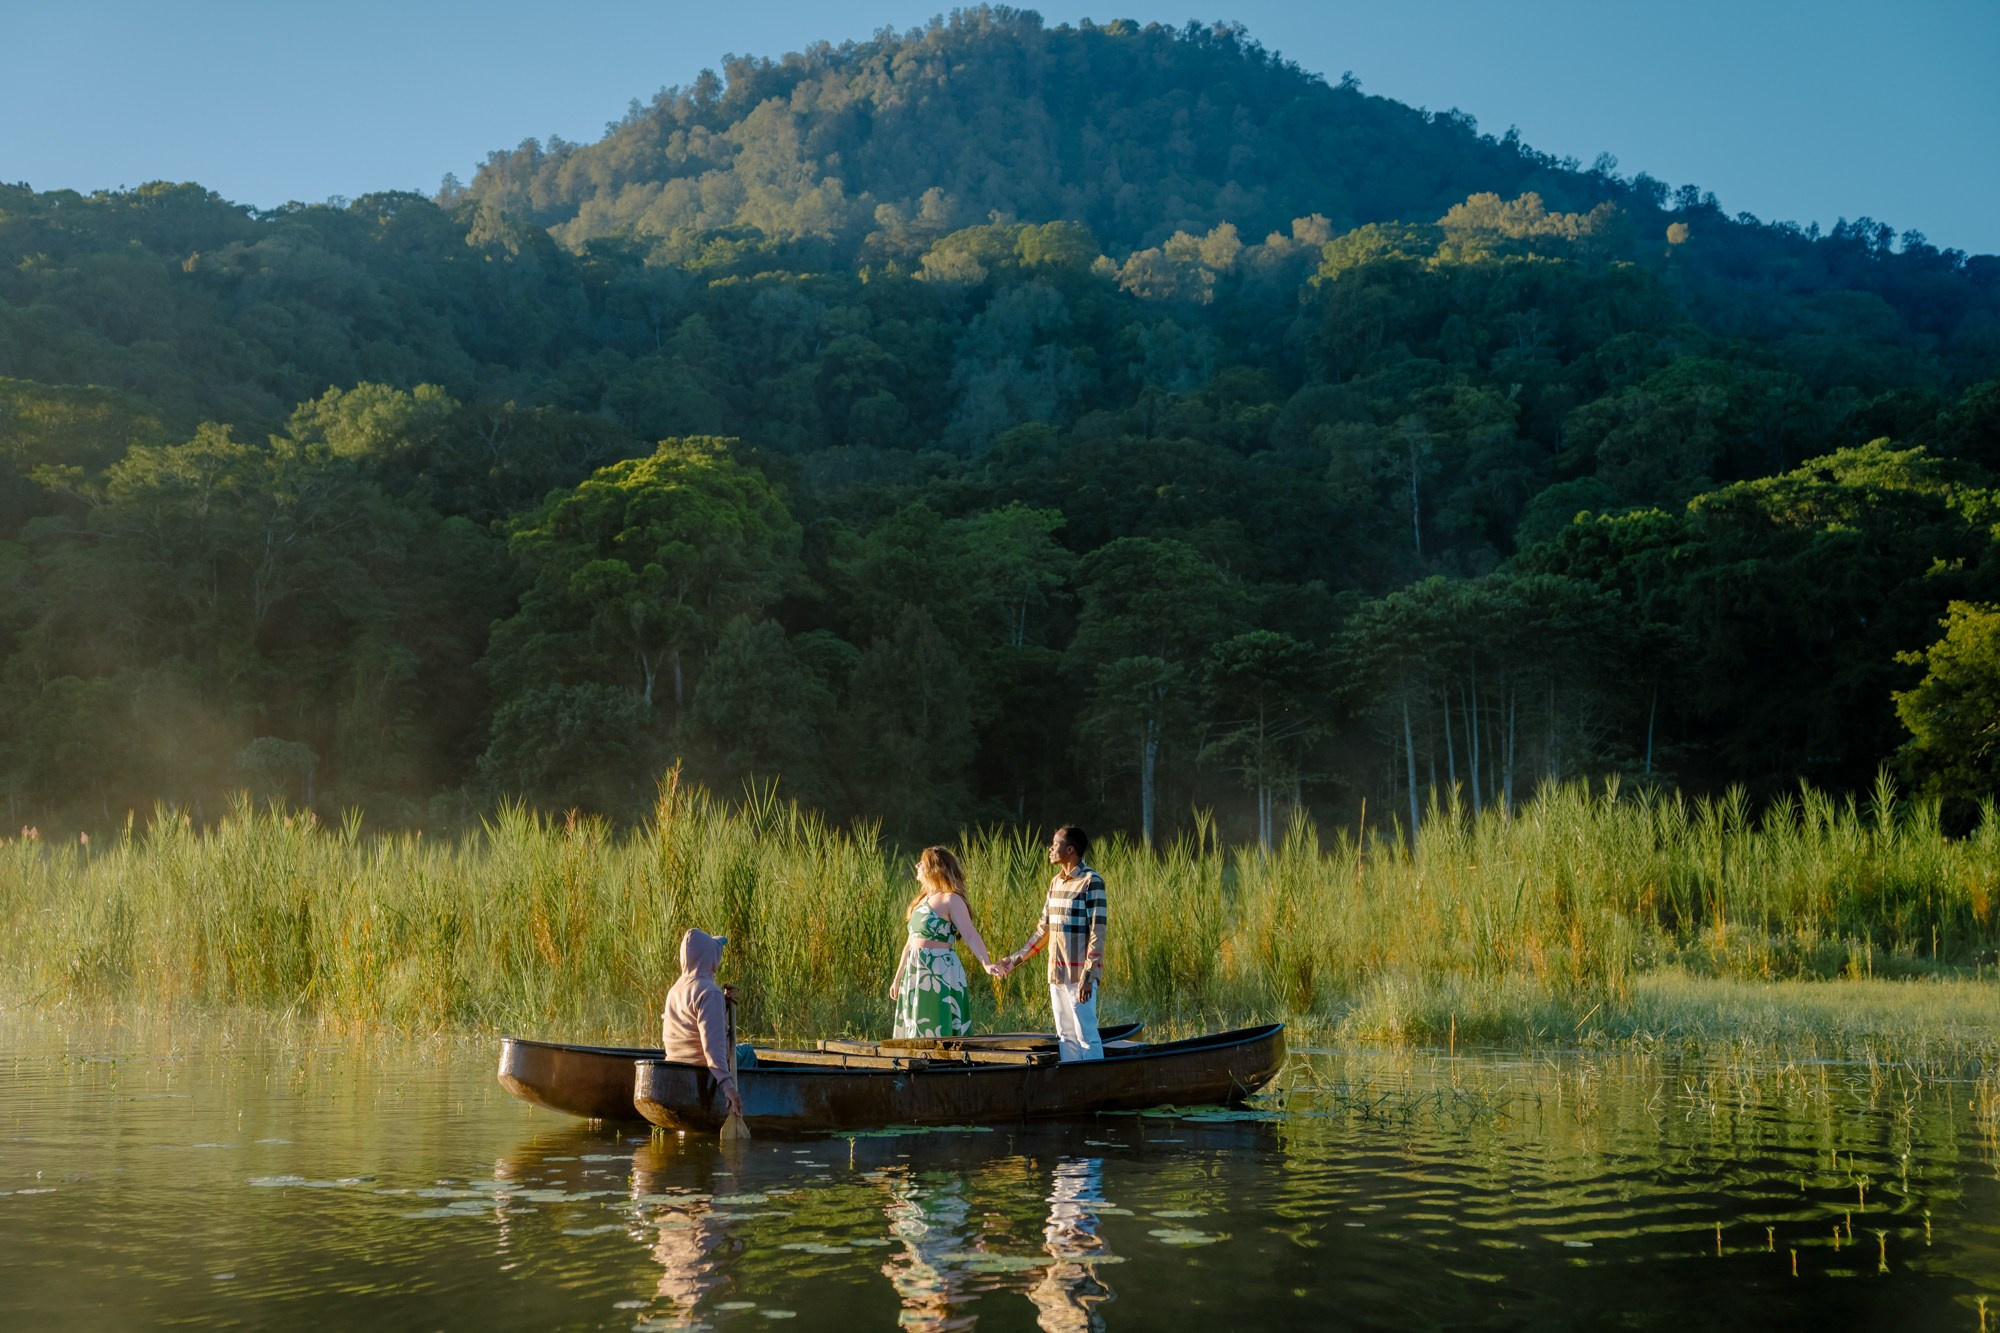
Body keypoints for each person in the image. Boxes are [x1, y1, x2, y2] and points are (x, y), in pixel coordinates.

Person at [995, 826, 1106, 1061]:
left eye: (1055, 844)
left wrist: (1089, 975)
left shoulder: (1091, 881)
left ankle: (1095, 1087)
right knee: (1065, 1035)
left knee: (1086, 1035)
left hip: (1079, 975)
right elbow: (1043, 931)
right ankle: (1073, 1088)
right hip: (1056, 972)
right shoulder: (1055, 882)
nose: (1050, 848)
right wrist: (1014, 960)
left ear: (1070, 849)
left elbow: (1098, 931)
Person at [890, 846, 1000, 1039]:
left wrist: (987, 964)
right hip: (916, 970)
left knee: (937, 1023)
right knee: (917, 1024)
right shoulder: (922, 900)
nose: (917, 865)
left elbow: (970, 934)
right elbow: (910, 943)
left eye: (922, 862)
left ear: (934, 868)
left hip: (940, 970)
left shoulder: (952, 899)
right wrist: (898, 978)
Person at [660, 927, 742, 1122]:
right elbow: (712, 1048)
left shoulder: (675, 990)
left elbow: (692, 1025)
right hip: (702, 1066)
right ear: (710, 957)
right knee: (748, 1054)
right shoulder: (709, 992)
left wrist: (723, 1005)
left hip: (676, 1066)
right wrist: (728, 1086)